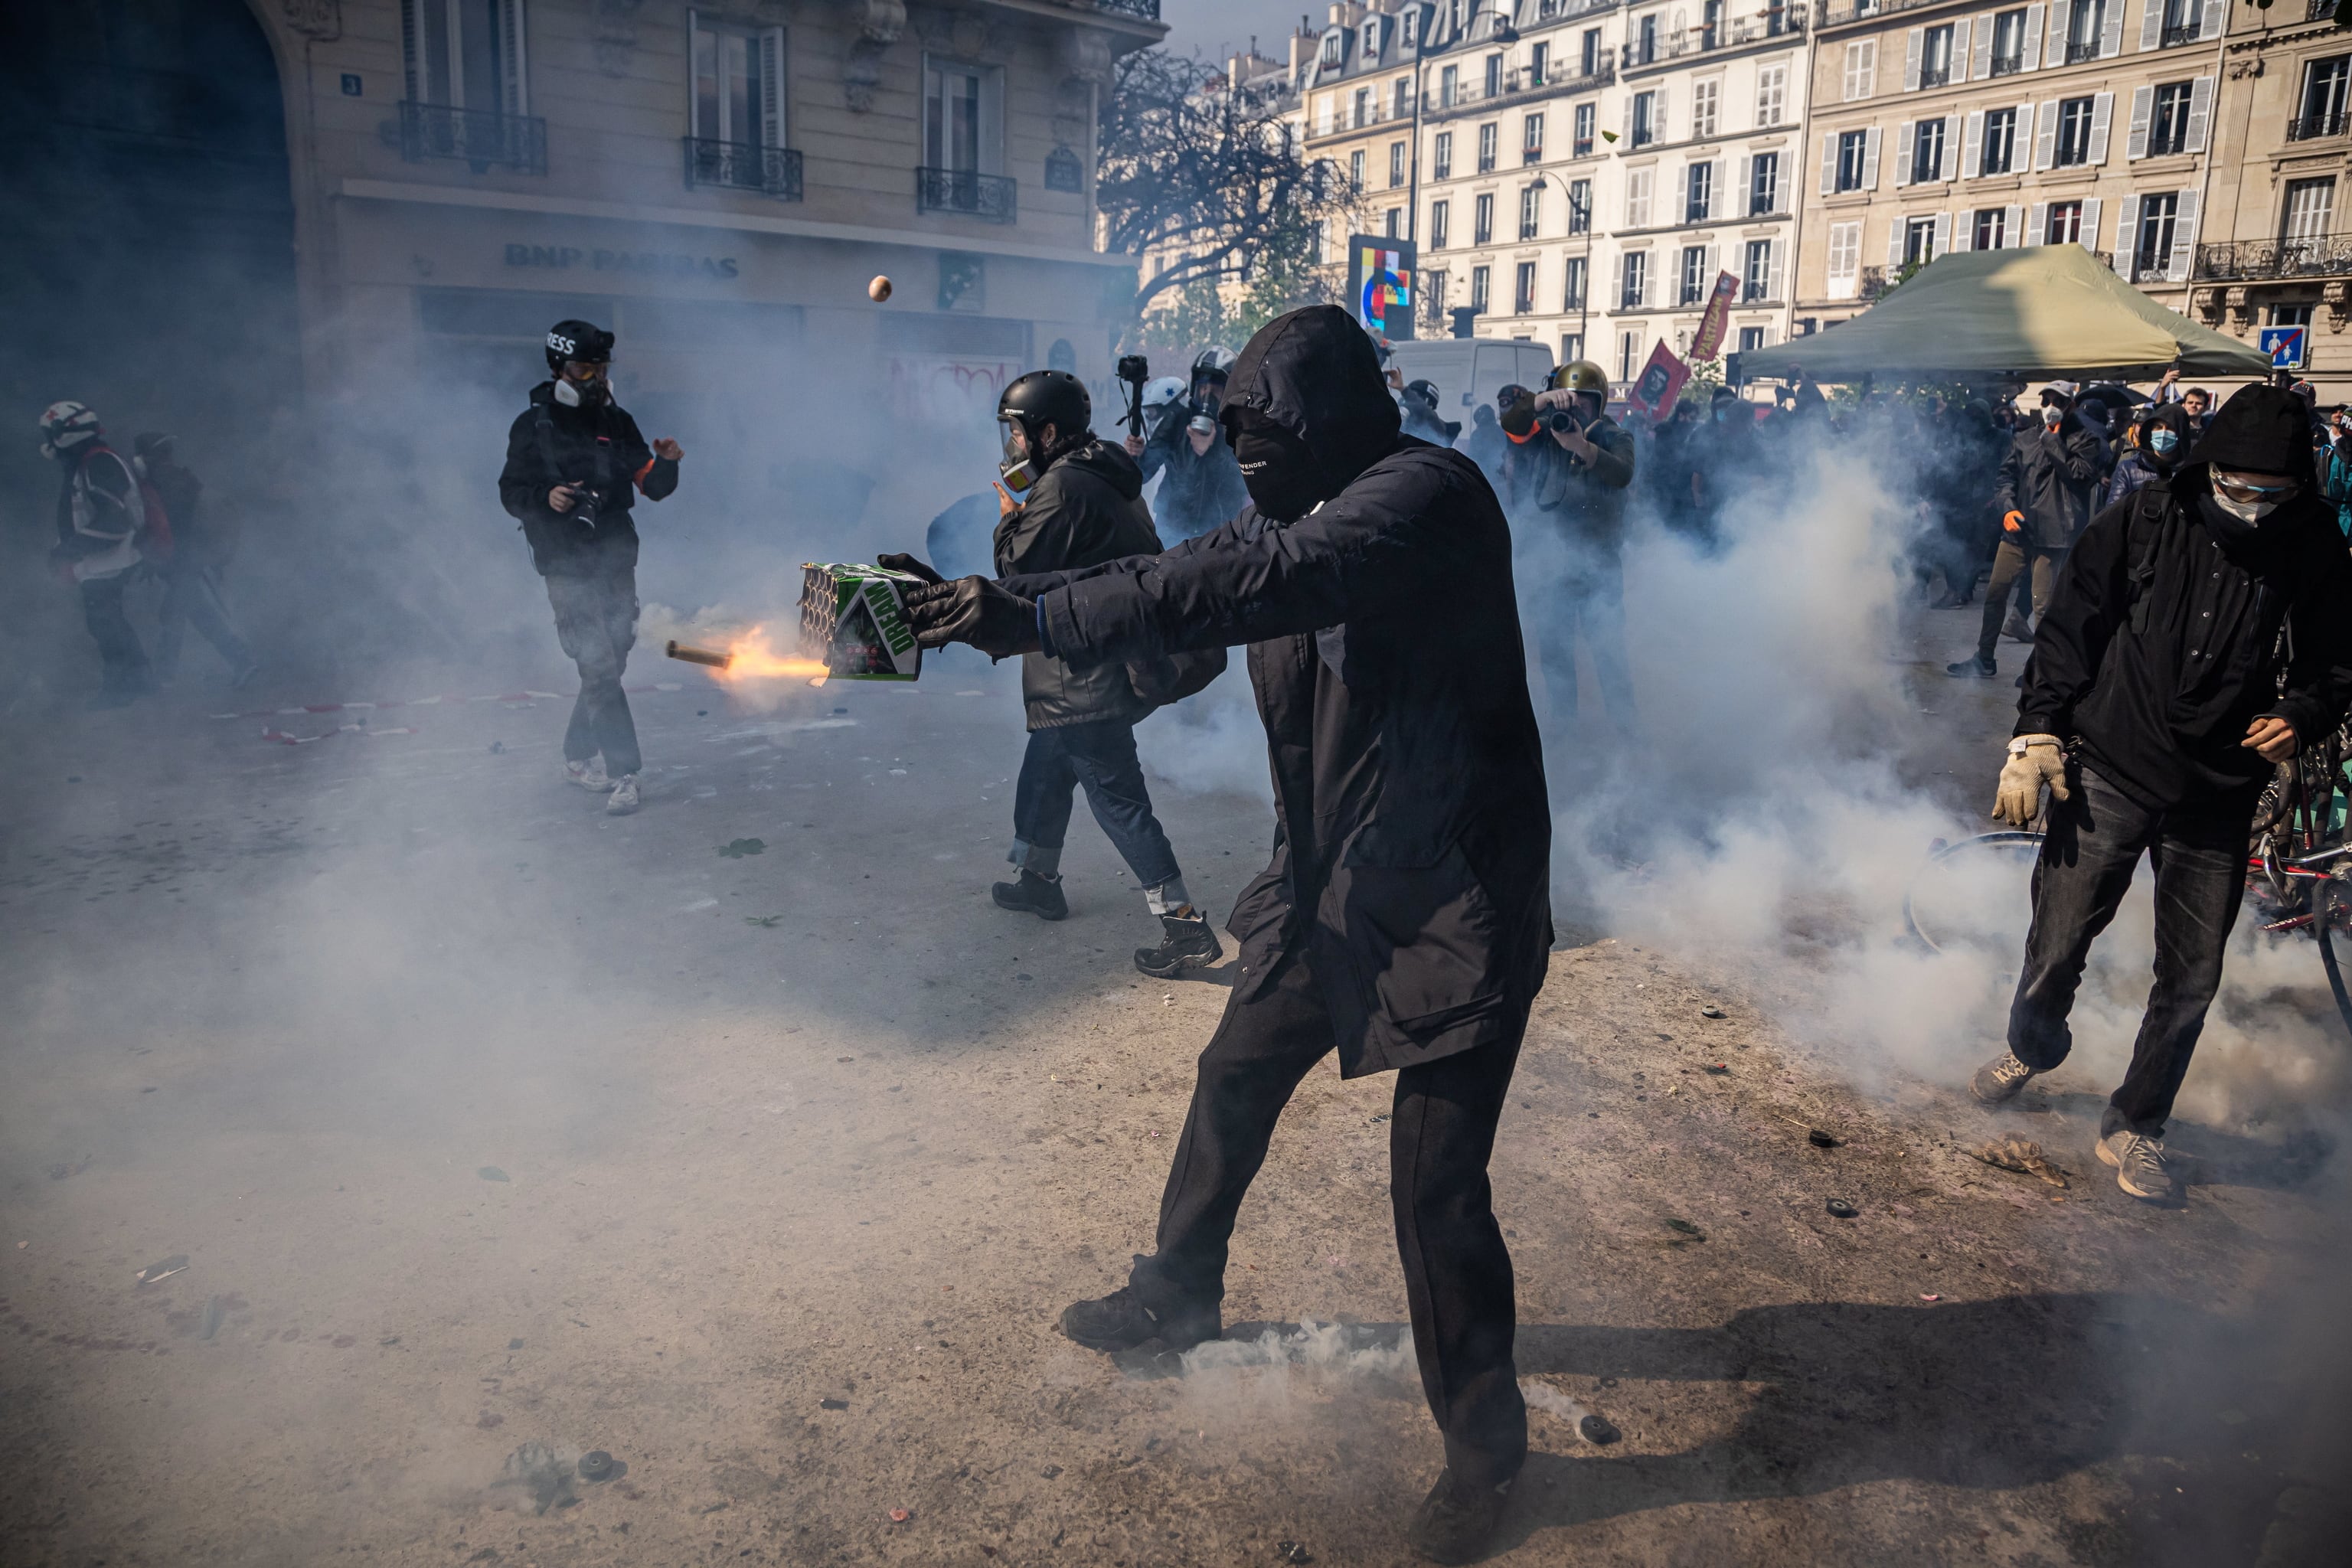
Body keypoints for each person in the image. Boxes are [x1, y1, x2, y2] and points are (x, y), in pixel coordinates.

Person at [900, 305, 1553, 1564]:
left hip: (1456, 896)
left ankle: (1487, 1454)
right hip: (1333, 875)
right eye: (1239, 446)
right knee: (1233, 1071)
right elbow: (1197, 591)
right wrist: (1005, 605)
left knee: (1436, 1188)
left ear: (1327, 422)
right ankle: (1179, 1291)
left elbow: (1261, 579)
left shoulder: (1422, 495)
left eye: (1267, 440)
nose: (1248, 468)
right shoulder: (1295, 513)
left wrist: (1039, 621)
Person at [1972, 384, 2352, 1202]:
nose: (2252, 503)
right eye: (2239, 485)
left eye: (2272, 491)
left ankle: (2137, 1123)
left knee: (2191, 977)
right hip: (2111, 762)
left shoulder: (2314, 542)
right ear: (2211, 467)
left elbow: (2335, 662)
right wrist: (2036, 730)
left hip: (2217, 792)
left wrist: (2302, 712)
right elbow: (2072, 625)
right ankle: (2033, 1045)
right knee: (2059, 938)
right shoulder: (2145, 517)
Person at [913, 368, 1219, 976]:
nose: (1014, 447)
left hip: (1086, 670)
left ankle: (1184, 926)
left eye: (1019, 434)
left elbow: (1014, 574)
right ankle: (1037, 878)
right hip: (1093, 655)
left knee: (1117, 799)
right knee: (1047, 769)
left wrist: (1008, 515)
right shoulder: (1103, 473)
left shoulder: (1063, 488)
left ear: (1047, 432)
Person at [497, 320, 683, 816]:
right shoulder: (532, 426)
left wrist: (666, 463)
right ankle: (627, 773)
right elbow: (510, 492)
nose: (593, 379)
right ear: (558, 369)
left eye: (599, 369)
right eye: (582, 369)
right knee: (598, 666)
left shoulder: (616, 421)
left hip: (616, 559)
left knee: (612, 663)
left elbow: (654, 485)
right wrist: (546, 496)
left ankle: (576, 755)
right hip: (565, 565)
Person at [1503, 360, 1638, 731]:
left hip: (1599, 564)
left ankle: (1629, 736)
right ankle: (1566, 731)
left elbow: (1623, 473)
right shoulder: (1547, 432)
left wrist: (1582, 447)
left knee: (1608, 653)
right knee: (1555, 655)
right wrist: (1541, 401)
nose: (1575, 408)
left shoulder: (1614, 435)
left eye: (1584, 402)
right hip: (1555, 564)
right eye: (1569, 400)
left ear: (1600, 404)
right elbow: (1511, 424)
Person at [1948, 383, 2102, 679]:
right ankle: (1985, 657)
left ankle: (2040, 670)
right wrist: (2007, 508)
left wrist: (2053, 442)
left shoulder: (2085, 439)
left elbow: (2080, 477)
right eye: (2046, 400)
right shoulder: (2023, 438)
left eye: (2059, 401)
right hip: (2019, 529)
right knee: (1995, 594)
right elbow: (2005, 478)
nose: (2051, 406)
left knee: (2042, 604)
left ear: (2071, 405)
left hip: (2055, 534)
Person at [39, 400, 155, 704]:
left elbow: (114, 522)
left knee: (105, 622)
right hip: (101, 560)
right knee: (107, 621)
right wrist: (63, 550)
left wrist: (69, 551)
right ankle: (140, 681)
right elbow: (82, 517)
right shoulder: (91, 462)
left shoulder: (99, 464)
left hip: (112, 559)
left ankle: (123, 687)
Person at [133, 432, 256, 688]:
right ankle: (241, 660)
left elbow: (170, 527)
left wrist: (160, 555)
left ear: (148, 456)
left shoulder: (165, 481)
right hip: (187, 559)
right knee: (196, 613)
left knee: (176, 614)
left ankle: (165, 677)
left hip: (183, 560)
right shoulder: (179, 477)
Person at [1130, 350, 1249, 544]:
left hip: (1219, 534)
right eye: (1203, 386)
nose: (1207, 394)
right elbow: (1141, 475)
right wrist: (1135, 455)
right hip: (1171, 528)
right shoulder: (1177, 420)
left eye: (1216, 388)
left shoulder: (1238, 429)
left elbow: (1243, 482)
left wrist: (1208, 453)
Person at [2102, 403, 2190, 508]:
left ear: (2180, 433)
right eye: (2158, 427)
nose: (2163, 433)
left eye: (2170, 428)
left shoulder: (2190, 471)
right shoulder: (2128, 469)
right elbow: (2113, 511)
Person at [1398, 378, 1461, 446]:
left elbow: (1423, 408)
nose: (1408, 403)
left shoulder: (1438, 427)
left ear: (1428, 403)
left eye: (1415, 397)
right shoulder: (1404, 422)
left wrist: (1404, 390)